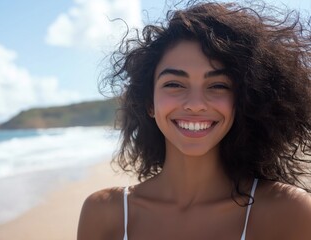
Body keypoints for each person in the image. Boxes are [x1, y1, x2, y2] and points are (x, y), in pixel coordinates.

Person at [77, 1, 311, 239]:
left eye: (218, 85)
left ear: (242, 101)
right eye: (175, 84)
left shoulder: (288, 211)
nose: (196, 103)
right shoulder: (105, 213)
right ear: (149, 102)